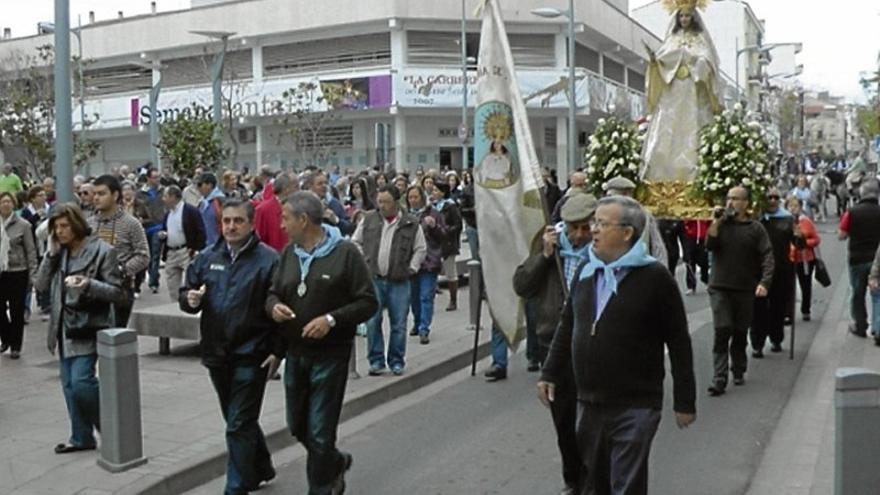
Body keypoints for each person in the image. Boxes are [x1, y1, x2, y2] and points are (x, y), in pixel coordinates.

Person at [539, 195, 696, 495]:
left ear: (627, 233)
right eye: (593, 222)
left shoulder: (655, 278)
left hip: (635, 405)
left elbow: (678, 341)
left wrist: (684, 400)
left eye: (601, 223)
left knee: (625, 484)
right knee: (595, 482)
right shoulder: (588, 271)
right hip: (589, 401)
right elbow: (567, 323)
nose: (593, 230)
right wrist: (549, 373)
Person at [266, 191, 377, 495]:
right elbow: (274, 292)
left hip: (331, 355)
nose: (282, 224)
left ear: (303, 220)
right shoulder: (289, 253)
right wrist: (273, 306)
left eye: (286, 217)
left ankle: (321, 488)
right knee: (297, 426)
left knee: (319, 432)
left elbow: (368, 303)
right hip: (296, 354)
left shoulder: (346, 253)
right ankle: (336, 462)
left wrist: (330, 320)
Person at [181, 199, 282, 494]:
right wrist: (190, 299)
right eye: (226, 221)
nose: (231, 227)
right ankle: (261, 465)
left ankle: (236, 486)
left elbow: (279, 305)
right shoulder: (207, 257)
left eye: (238, 221)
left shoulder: (269, 260)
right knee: (238, 418)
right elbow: (187, 291)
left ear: (251, 224)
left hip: (253, 353)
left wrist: (278, 349)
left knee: (239, 422)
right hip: (216, 352)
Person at [513, 192, 597, 495]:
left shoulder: (602, 252)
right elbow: (522, 284)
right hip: (553, 342)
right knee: (563, 420)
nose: (579, 235)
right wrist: (544, 256)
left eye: (586, 228)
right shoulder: (550, 248)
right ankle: (572, 477)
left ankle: (592, 478)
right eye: (573, 228)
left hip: (592, 345)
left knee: (592, 418)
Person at [34, 203, 126, 454]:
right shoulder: (59, 253)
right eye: (56, 227)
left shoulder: (102, 251)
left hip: (88, 324)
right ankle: (81, 436)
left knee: (82, 381)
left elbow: (117, 292)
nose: (60, 231)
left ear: (76, 224)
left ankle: (110, 427)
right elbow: (40, 284)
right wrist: (50, 255)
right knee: (69, 385)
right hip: (63, 327)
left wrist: (88, 284)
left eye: (64, 226)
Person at [641, 3, 723, 181]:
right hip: (673, 91)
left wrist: (695, 61)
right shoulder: (671, 38)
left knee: (693, 128)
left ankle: (695, 174)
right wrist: (656, 62)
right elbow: (663, 59)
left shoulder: (700, 38)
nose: (684, 19)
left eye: (687, 16)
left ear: (693, 17)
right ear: (677, 18)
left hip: (692, 90)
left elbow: (708, 61)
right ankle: (661, 175)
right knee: (667, 130)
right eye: (681, 16)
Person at [705, 186, 774, 396]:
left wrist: (765, 282)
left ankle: (738, 368)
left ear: (745, 203)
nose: (730, 203)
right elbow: (710, 244)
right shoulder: (721, 225)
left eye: (735, 199)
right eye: (729, 198)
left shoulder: (755, 229)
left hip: (744, 288)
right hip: (719, 286)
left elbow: (767, 256)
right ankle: (719, 378)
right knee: (722, 329)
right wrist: (716, 221)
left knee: (740, 331)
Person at [352, 186, 426, 376]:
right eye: (380, 201)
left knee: (399, 323)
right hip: (374, 280)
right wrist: (364, 260)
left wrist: (412, 267)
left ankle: (396, 360)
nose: (382, 206)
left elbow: (420, 249)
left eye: (386, 202)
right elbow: (355, 242)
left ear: (396, 202)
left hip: (399, 280)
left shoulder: (410, 222)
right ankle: (376, 361)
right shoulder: (369, 219)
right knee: (372, 321)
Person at [88, 175, 149, 327]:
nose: (96, 198)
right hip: (92, 287)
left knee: (116, 338)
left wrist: (122, 270)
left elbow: (143, 255)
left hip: (120, 288)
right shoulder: (88, 224)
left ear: (115, 195)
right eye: (94, 194)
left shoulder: (131, 223)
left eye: (101, 194)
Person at [750, 189, 800, 358]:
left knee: (778, 307)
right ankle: (757, 343)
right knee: (758, 309)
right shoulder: (756, 219)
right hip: (758, 271)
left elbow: (799, 244)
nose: (772, 200)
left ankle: (776, 338)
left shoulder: (787, 219)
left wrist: (798, 236)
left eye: (776, 197)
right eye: (769, 197)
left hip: (781, 270)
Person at [406, 185, 447, 345]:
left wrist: (434, 226)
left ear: (422, 197)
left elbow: (444, 235)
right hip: (412, 263)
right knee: (413, 297)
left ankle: (424, 328)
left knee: (426, 296)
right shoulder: (406, 216)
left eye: (416, 197)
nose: (413, 200)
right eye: (410, 197)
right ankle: (417, 322)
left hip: (429, 261)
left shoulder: (433, 214)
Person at [839, 181, 880, 338]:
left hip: (857, 258)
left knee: (858, 292)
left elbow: (842, 235)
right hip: (877, 259)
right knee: (877, 295)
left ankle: (860, 325)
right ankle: (878, 329)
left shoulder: (852, 212)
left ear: (861, 194)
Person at [0, 192, 37, 359]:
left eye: (8, 201)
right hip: (1, 271)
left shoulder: (24, 225)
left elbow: (30, 250)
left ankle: (16, 345)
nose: (5, 204)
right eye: (2, 202)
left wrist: (32, 273)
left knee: (16, 309)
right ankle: (6, 338)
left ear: (13, 204)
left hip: (18, 271)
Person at [602, 176, 668, 263]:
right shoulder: (604, 214)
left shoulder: (645, 215)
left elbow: (657, 246)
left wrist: (661, 270)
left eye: (611, 196)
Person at [159, 185, 206, 303]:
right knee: (172, 285)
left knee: (191, 282)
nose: (163, 199)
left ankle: (190, 305)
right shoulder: (168, 214)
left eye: (165, 196)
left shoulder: (190, 211)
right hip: (171, 252)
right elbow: (166, 228)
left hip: (186, 251)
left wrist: (196, 249)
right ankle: (175, 307)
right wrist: (163, 235)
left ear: (173, 197)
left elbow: (200, 231)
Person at [788, 197, 820, 322]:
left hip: (805, 259)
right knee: (789, 287)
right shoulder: (785, 221)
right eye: (790, 206)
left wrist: (804, 243)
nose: (793, 208)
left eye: (795, 206)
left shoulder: (806, 221)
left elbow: (816, 239)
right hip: (789, 258)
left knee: (805, 285)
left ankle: (805, 309)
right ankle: (788, 313)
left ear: (800, 207)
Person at [431, 182, 463, 312]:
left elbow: (458, 224)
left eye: (435, 190)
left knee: (450, 272)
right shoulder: (433, 207)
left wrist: (447, 230)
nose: (433, 193)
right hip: (435, 243)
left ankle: (453, 300)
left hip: (448, 243)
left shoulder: (450, 206)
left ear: (442, 192)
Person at [254, 174, 297, 253]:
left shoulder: (298, 208)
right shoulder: (263, 210)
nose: (299, 190)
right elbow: (258, 241)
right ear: (286, 189)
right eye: (296, 187)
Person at [140, 168, 165, 294]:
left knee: (155, 254)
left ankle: (154, 281)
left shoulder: (163, 191)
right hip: (145, 228)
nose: (157, 179)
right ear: (149, 178)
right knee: (148, 254)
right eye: (155, 177)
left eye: (158, 177)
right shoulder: (141, 193)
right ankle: (149, 273)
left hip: (158, 227)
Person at [303, 171, 353, 235]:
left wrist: (336, 220)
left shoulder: (334, 203)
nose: (324, 186)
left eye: (326, 183)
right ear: (310, 186)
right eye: (320, 184)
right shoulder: (304, 204)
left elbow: (348, 228)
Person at [197, 172, 227, 247]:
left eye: (200, 184)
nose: (198, 188)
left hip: (218, 245)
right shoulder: (202, 203)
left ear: (209, 185)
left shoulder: (220, 201)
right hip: (204, 245)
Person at [682, 219, 711, 294]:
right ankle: (691, 286)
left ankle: (705, 279)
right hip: (691, 238)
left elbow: (709, 223)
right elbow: (684, 223)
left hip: (702, 239)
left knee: (704, 262)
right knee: (690, 262)